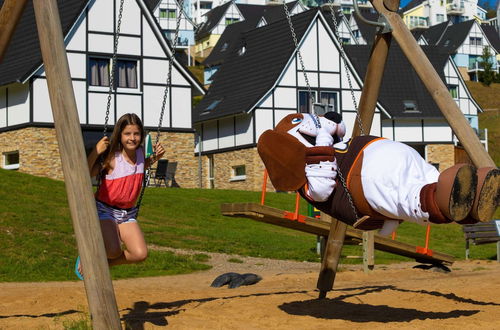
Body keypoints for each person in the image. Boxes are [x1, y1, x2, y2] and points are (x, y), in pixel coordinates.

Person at [258, 112, 499, 235]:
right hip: (367, 182)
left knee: (430, 181)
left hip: (388, 160)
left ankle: (474, 202)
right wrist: (321, 141)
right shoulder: (307, 179)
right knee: (416, 197)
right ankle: (454, 198)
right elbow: (322, 189)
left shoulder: (334, 144)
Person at [75, 113, 165, 280]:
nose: (132, 138)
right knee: (113, 250)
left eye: (136, 134)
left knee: (140, 254)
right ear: (120, 135)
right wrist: (95, 152)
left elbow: (139, 167)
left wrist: (154, 159)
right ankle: (89, 255)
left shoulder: (140, 155)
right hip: (105, 210)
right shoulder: (112, 157)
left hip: (127, 213)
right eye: (127, 134)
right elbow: (85, 174)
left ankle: (99, 263)